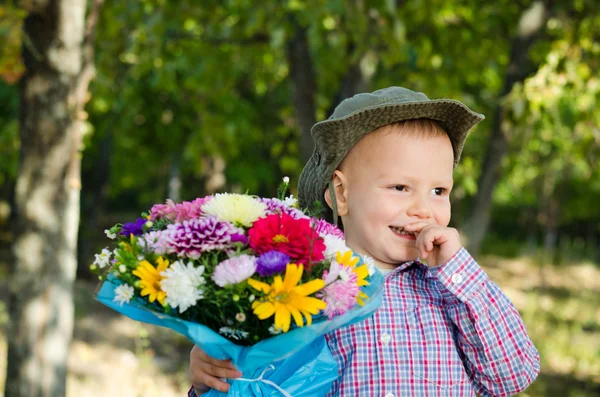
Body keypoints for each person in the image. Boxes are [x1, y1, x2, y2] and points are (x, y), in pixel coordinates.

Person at [188, 86, 540, 396]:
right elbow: (262, 382)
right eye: (400, 187)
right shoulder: (303, 287)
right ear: (341, 194)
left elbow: (513, 376)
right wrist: (211, 371)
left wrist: (459, 273)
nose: (422, 209)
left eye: (438, 190)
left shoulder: (452, 289)